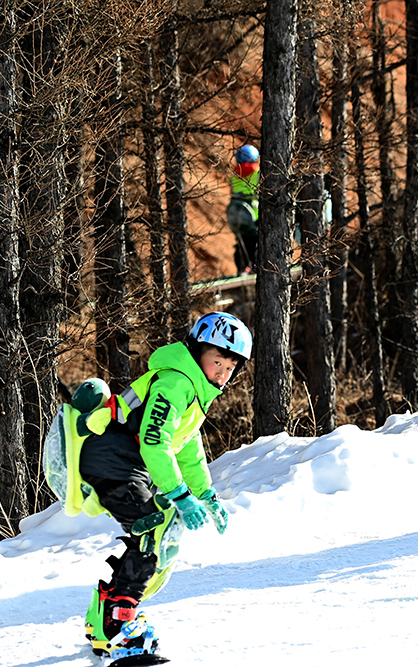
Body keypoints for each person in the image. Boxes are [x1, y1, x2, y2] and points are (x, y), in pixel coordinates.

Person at [70, 312, 252, 661]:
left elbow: (186, 448)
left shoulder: (193, 390)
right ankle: (119, 627)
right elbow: (155, 442)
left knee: (156, 532)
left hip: (121, 462)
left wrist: (206, 495)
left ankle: (104, 620)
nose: (222, 373)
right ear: (197, 351)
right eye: (217, 361)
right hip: (111, 459)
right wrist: (181, 496)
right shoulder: (175, 382)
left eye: (230, 368)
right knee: (156, 530)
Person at [227, 144, 260, 274]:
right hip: (255, 214)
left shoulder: (234, 176)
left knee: (242, 242)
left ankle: (242, 268)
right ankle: (255, 267)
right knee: (256, 241)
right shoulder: (258, 173)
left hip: (238, 215)